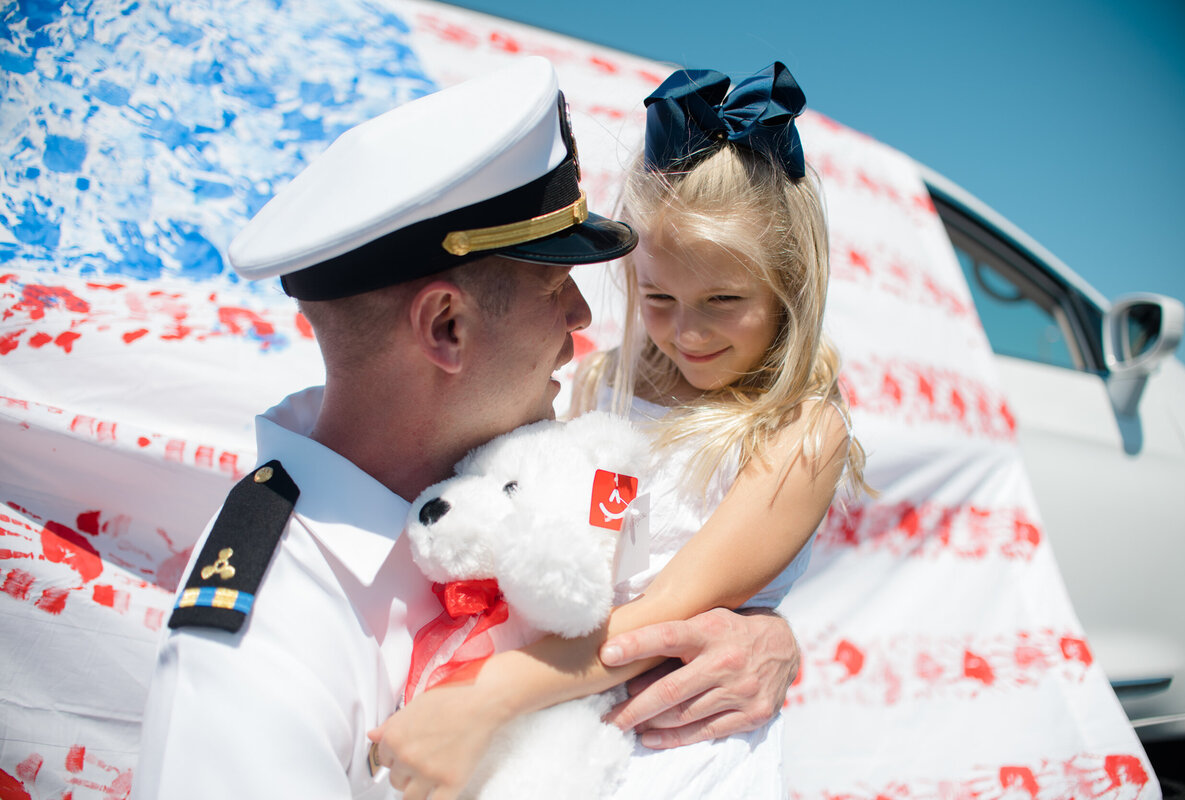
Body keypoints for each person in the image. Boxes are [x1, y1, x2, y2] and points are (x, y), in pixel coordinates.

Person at [132, 56, 801, 800]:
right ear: (447, 326)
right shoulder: (261, 648)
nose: (584, 318)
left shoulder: (521, 471)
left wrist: (755, 631)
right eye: (555, 287)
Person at [370, 62, 867, 799]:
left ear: (789, 288)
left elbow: (664, 615)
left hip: (678, 748)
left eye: (724, 299)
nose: (687, 331)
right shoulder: (603, 382)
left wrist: (483, 699)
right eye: (659, 296)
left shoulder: (801, 433)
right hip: (550, 719)